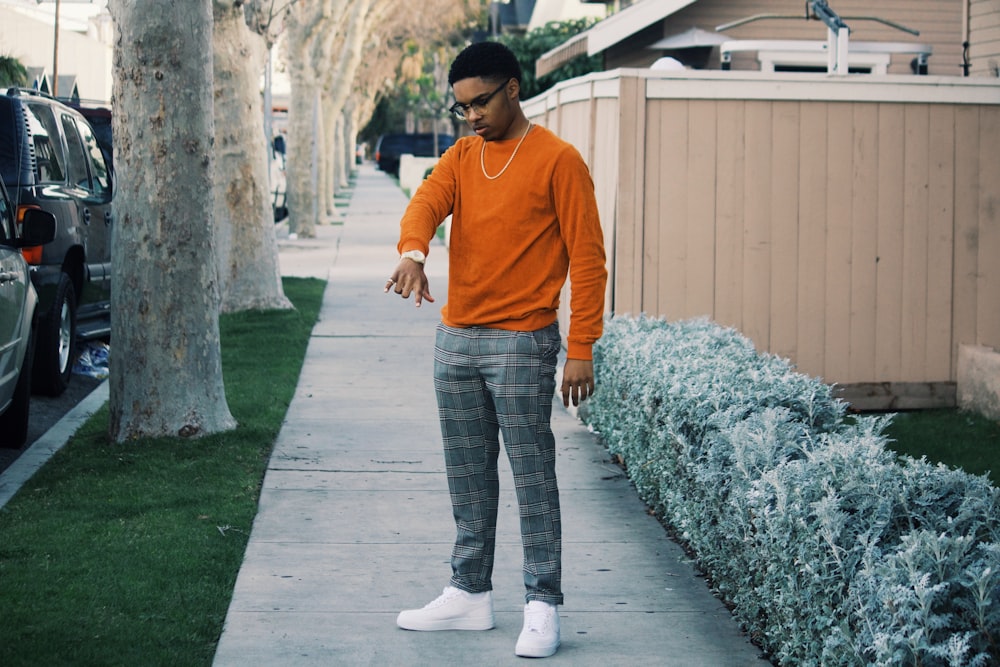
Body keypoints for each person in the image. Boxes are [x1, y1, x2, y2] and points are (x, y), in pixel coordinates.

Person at [384, 41, 607, 659]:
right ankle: (469, 593)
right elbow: (426, 203)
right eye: (462, 107)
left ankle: (542, 604)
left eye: (480, 101)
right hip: (456, 337)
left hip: (522, 340)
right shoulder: (462, 156)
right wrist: (413, 251)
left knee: (532, 474)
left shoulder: (559, 161)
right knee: (468, 474)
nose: (472, 116)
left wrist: (582, 345)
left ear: (513, 88)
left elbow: (588, 261)